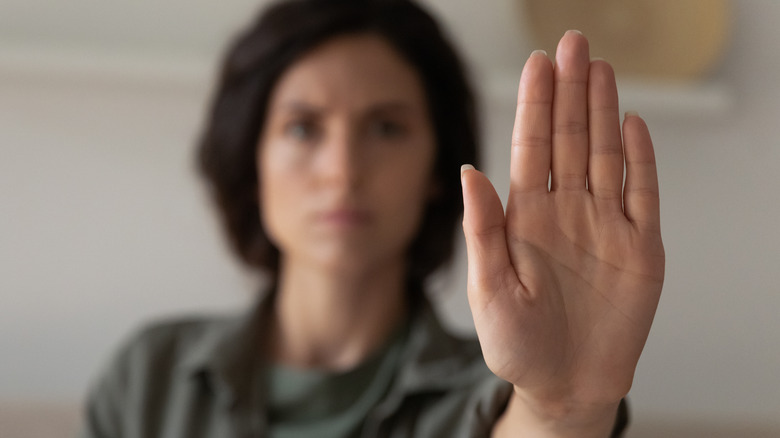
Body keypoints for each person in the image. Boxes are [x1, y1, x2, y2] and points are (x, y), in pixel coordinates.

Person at [81, 0, 664, 437]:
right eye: (303, 128)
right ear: (250, 160)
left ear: (436, 168)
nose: (343, 170)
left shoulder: (504, 388)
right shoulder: (150, 381)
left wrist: (561, 406)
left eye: (386, 128)